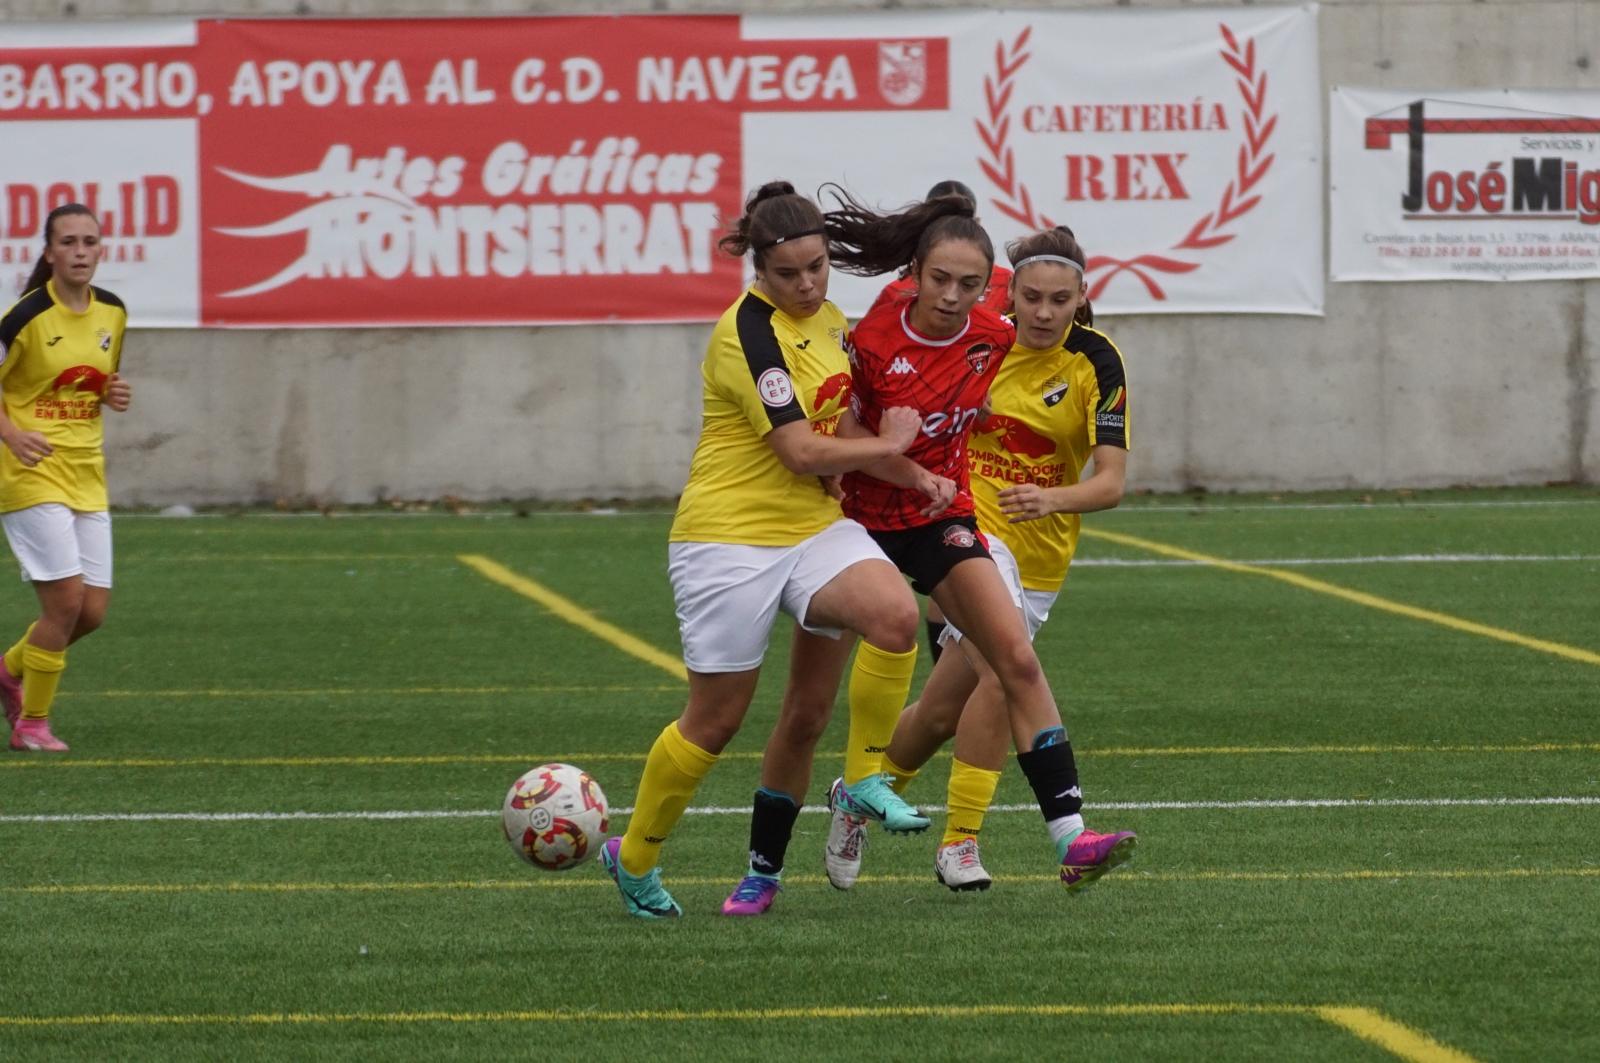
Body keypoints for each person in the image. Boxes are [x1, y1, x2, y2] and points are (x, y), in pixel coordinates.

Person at [597, 181, 931, 919]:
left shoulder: (832, 321)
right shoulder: (746, 334)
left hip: (812, 527)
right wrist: (896, 441)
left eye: (818, 267)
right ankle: (637, 855)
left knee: (895, 616)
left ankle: (865, 780)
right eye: (790, 273)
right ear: (759, 269)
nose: (808, 283)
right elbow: (796, 449)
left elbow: (838, 435)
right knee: (716, 719)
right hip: (727, 538)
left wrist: (909, 472)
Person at [814, 199, 1136, 893]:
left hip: (1043, 550)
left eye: (1060, 299)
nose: (1044, 312)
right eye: (1031, 297)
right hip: (967, 524)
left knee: (936, 715)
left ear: (1084, 298)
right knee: (1006, 664)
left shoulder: (1096, 360)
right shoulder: (980, 330)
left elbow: (1110, 483)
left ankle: (854, 797)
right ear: (1009, 292)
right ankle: (1008, 839)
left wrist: (1051, 497)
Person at [0, 203, 132, 752]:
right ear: (50, 252)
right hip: (29, 471)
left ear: (102, 250)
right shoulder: (25, 317)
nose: (81, 252)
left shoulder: (113, 313)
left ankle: (8, 670)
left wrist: (110, 393)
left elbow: (92, 382)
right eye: (69, 242)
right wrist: (11, 435)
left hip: (86, 470)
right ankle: (32, 723)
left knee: (92, 613)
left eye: (90, 242)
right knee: (65, 603)